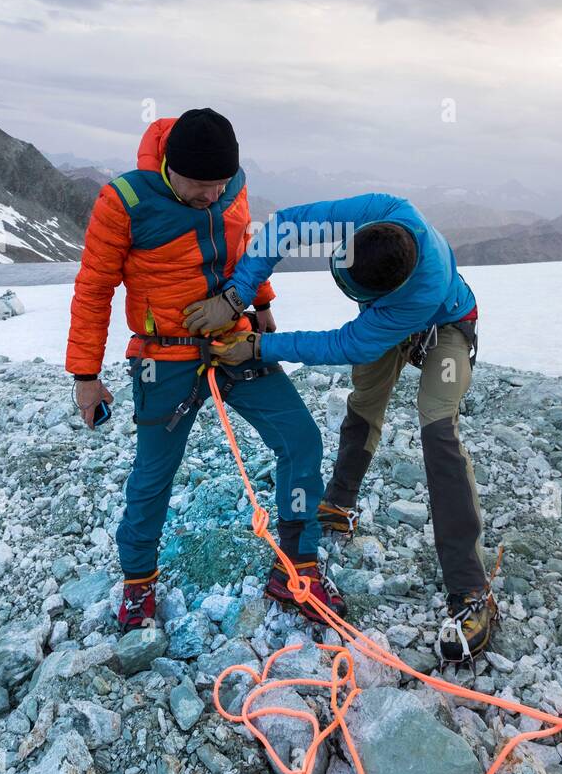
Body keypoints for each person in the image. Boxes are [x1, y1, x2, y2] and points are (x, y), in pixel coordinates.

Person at [65, 108, 347, 632]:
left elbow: (242, 246)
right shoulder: (124, 201)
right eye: (201, 187)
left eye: (221, 186)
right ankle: (138, 582)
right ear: (170, 166)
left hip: (234, 341)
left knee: (301, 439)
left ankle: (297, 568)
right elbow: (94, 288)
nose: (213, 197)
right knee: (154, 474)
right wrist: (86, 375)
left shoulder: (231, 185)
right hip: (162, 356)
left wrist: (261, 304)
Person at [184, 193, 496, 663]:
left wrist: (257, 348)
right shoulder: (386, 212)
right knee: (365, 402)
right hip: (388, 313)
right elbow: (285, 224)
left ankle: (471, 590)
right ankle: (339, 505)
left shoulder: (416, 297)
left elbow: (345, 343)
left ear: (381, 298)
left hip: (448, 323)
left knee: (438, 429)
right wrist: (236, 296)